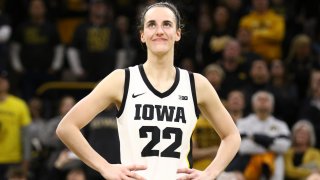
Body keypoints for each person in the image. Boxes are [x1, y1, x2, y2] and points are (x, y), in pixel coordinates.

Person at [56, 2, 241, 180]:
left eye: (167, 24)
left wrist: (210, 173)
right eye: (151, 25)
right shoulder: (121, 80)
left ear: (178, 34)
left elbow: (232, 136)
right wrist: (104, 167)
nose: (159, 31)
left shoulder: (196, 84)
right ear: (142, 35)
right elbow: (66, 127)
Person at [0, 69, 31, 180]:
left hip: (13, 160)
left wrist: (26, 160)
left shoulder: (19, 105)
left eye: (3, 79)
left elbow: (26, 136)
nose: (1, 82)